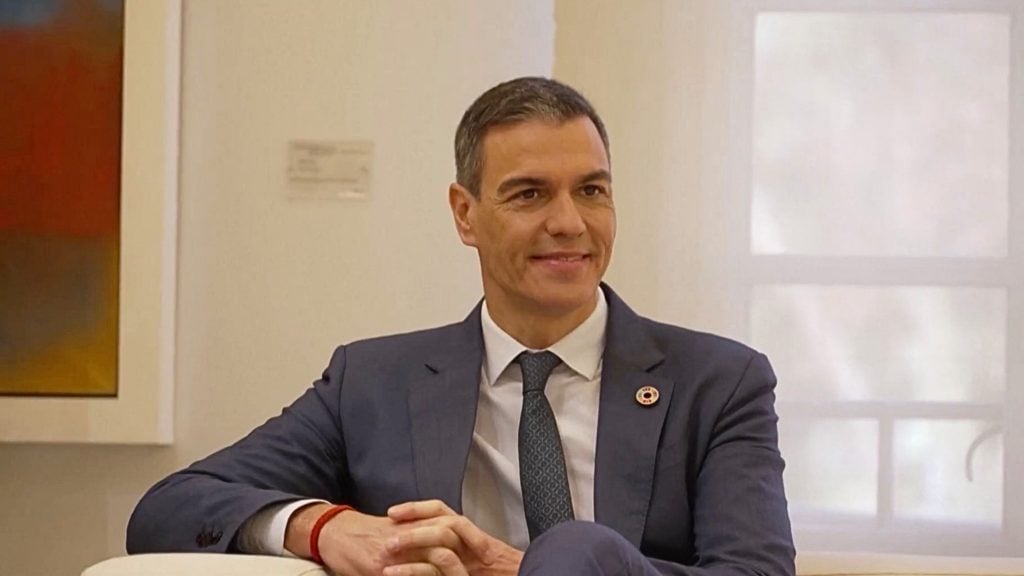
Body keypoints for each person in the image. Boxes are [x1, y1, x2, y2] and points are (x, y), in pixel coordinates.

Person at [127, 77, 795, 576]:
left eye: (591, 190)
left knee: (578, 546)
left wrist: (531, 568)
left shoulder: (718, 382)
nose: (569, 222)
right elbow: (172, 506)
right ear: (465, 214)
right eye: (530, 194)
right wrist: (322, 526)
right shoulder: (374, 383)